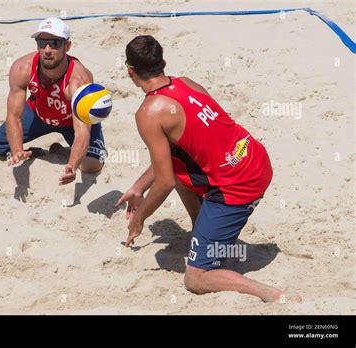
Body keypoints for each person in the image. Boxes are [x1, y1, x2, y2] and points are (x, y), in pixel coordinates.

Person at [117, 35, 300, 303]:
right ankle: (203, 229)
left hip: (238, 186)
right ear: (163, 63)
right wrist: (138, 187)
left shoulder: (148, 112)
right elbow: (174, 157)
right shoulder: (187, 83)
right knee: (181, 170)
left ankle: (271, 294)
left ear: (130, 72)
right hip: (255, 157)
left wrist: (140, 218)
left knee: (196, 277)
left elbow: (164, 182)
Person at [0, 17, 106, 185]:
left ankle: (61, 150)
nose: (47, 50)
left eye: (55, 43)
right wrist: (18, 150)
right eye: (42, 42)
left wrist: (71, 165)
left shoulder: (79, 80)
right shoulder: (22, 68)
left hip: (71, 121)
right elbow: (14, 116)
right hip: (38, 114)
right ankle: (3, 131)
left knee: (91, 166)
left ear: (67, 46)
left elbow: (82, 132)